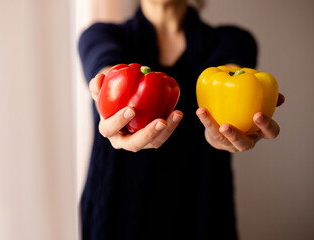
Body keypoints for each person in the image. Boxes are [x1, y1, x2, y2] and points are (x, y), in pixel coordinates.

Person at [78, 0, 285, 239]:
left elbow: (232, 77)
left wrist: (230, 127)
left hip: (199, 211)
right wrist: (109, 87)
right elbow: (109, 70)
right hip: (115, 209)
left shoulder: (233, 39)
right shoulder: (100, 35)